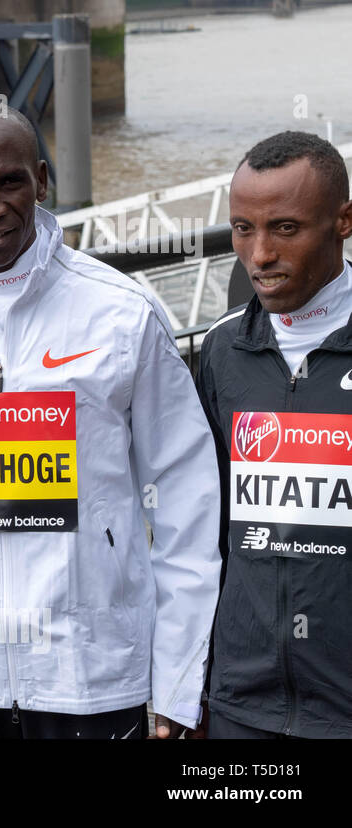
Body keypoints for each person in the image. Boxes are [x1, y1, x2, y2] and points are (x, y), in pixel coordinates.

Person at [0, 100, 221, 739]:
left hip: (91, 674)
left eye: (9, 182)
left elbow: (186, 507)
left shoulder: (123, 311)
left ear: (42, 181)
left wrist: (178, 681)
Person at [194, 131, 352, 739]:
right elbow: (205, 523)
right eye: (241, 228)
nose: (258, 255)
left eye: (285, 229)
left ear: (343, 222)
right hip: (241, 702)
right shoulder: (222, 350)